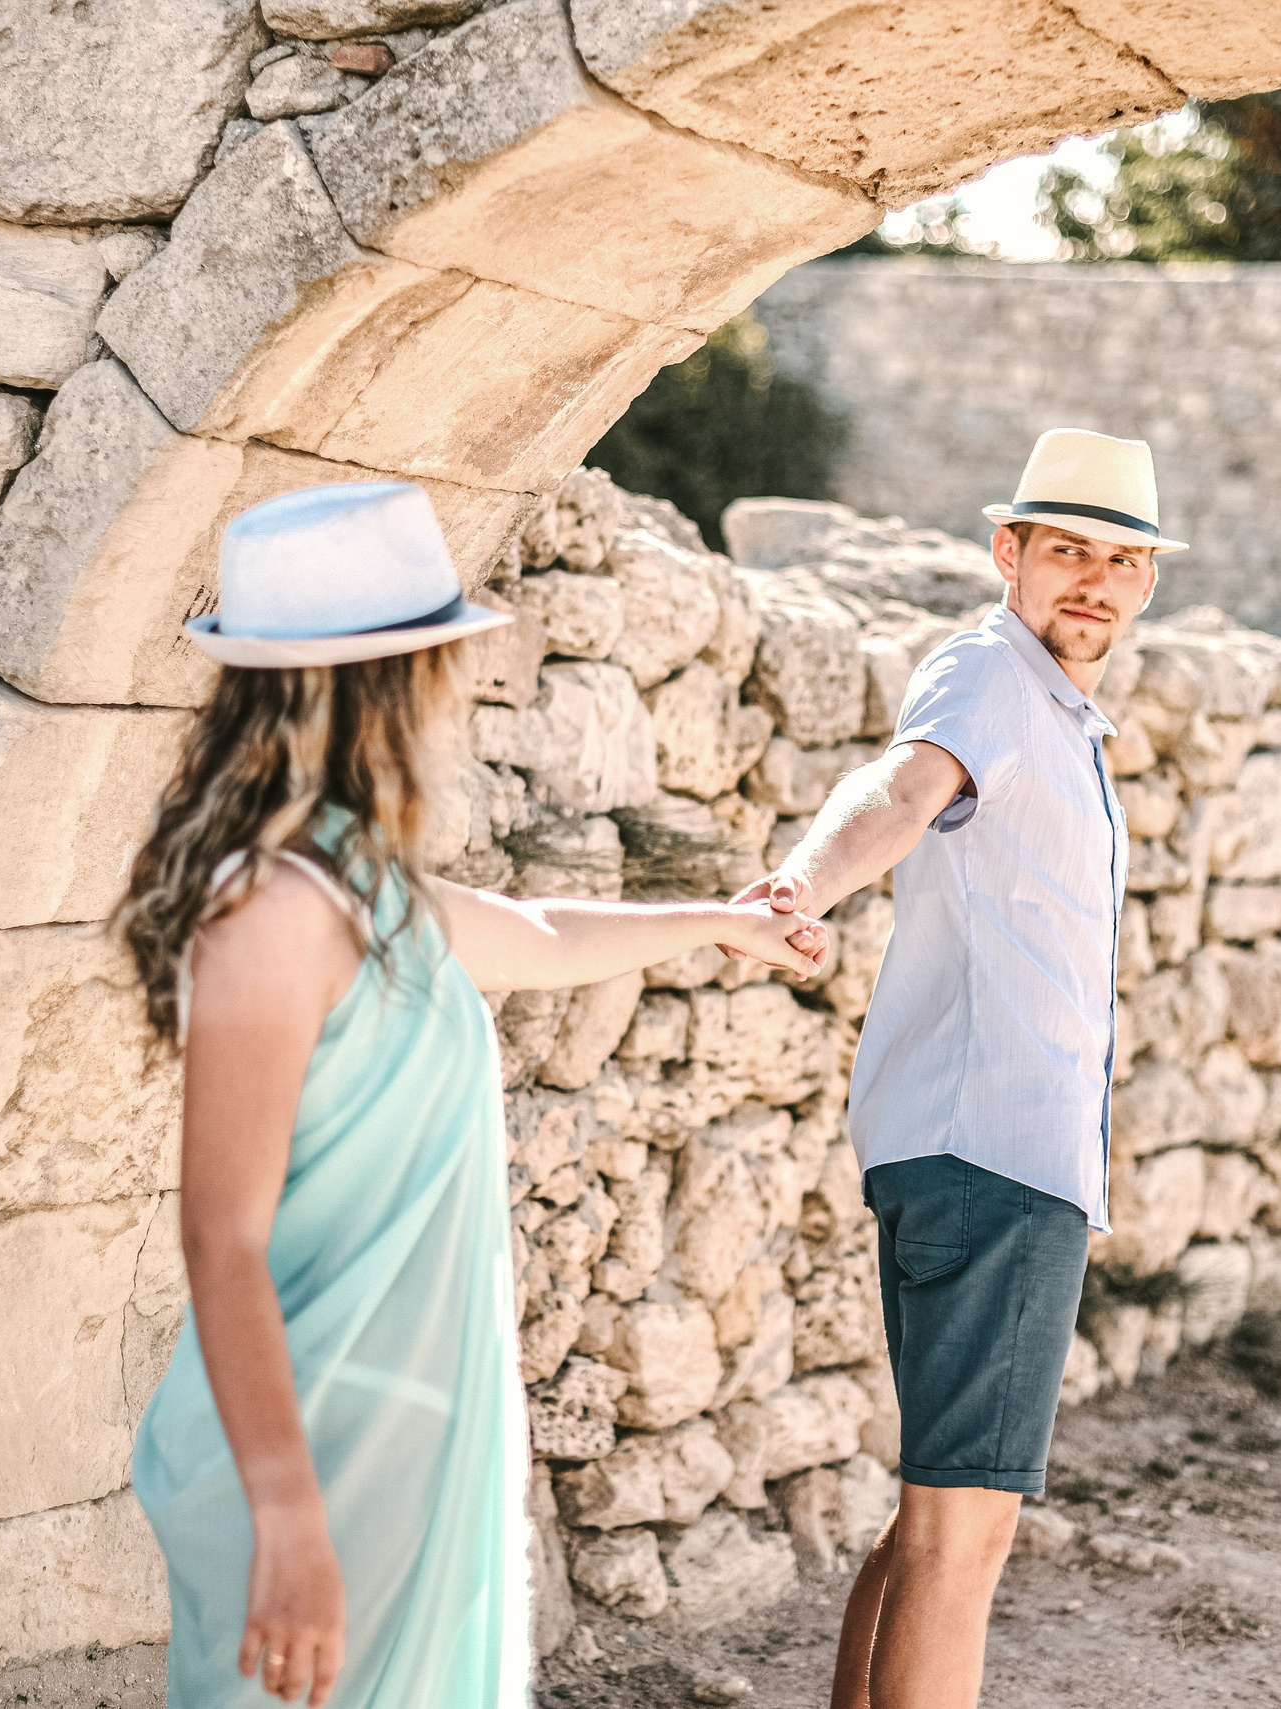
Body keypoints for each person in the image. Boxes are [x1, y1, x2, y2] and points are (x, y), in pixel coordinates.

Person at [115, 481, 828, 1709]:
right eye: (441, 658)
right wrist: (288, 1522)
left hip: (402, 1437)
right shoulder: (272, 910)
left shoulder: (356, 881)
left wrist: (722, 922)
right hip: (320, 1459)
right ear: (386, 686)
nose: (462, 685)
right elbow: (219, 1236)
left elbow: (542, 934)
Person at [734, 429, 1185, 1709]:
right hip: (992, 1154)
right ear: (1009, 553)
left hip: (991, 1153)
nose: (1090, 582)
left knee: (936, 1510)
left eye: (1119, 559)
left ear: (1147, 579)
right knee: (966, 1536)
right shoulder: (989, 670)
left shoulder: (1050, 703)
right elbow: (900, 784)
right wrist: (803, 881)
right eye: (1064, 554)